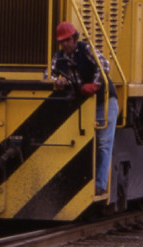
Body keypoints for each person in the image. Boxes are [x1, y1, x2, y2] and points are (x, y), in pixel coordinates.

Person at [50, 21, 119, 195]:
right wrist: (57, 81)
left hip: (103, 101)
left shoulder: (86, 49)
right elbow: (47, 75)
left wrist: (95, 85)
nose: (65, 44)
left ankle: (100, 185)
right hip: (81, 104)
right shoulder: (59, 57)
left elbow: (105, 65)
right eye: (62, 41)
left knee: (103, 144)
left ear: (75, 38)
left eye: (68, 40)